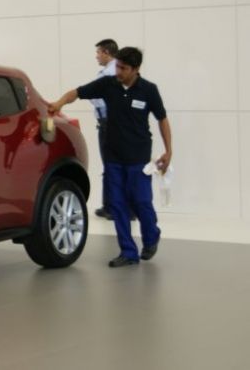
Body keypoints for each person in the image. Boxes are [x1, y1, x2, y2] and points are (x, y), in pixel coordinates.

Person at [49, 47, 172, 268]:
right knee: (117, 204)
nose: (118, 71)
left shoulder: (149, 90)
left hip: (139, 158)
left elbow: (162, 119)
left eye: (123, 68)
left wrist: (168, 151)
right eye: (117, 66)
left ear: (136, 69)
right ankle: (128, 252)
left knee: (142, 202)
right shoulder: (108, 85)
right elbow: (77, 92)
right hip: (113, 157)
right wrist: (59, 103)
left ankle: (152, 237)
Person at [91, 39, 118, 220]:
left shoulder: (109, 73)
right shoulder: (116, 71)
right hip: (109, 123)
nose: (97, 56)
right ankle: (110, 205)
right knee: (111, 165)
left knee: (112, 165)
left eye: (99, 52)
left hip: (109, 123)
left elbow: (98, 96)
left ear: (107, 52)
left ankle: (113, 207)